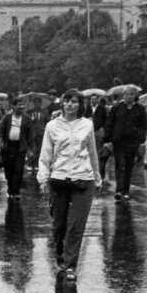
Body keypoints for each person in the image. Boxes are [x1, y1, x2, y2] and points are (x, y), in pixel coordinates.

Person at [38, 89, 101, 281]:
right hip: (59, 179)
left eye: (74, 102)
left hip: (83, 179)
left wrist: (97, 177)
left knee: (76, 225)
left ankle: (70, 265)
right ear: (62, 104)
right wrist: (43, 179)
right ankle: (60, 257)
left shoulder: (87, 125)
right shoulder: (52, 126)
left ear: (80, 105)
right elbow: (46, 154)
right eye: (67, 101)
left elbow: (92, 152)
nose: (70, 105)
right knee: (59, 225)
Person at [107, 86, 147, 201]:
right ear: (123, 95)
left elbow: (143, 126)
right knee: (120, 165)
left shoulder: (140, 109)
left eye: (132, 94)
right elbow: (110, 123)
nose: (129, 96)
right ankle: (119, 190)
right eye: (127, 94)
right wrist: (108, 140)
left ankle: (126, 191)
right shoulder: (117, 107)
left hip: (133, 142)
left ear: (135, 96)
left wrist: (141, 140)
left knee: (129, 166)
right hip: (119, 141)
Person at [0, 96, 30, 199]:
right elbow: (1, 132)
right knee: (9, 170)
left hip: (20, 147)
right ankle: (10, 188)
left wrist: (31, 148)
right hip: (8, 147)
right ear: (13, 106)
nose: (21, 107)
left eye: (22, 105)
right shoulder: (7, 117)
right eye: (19, 105)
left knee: (19, 170)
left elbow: (30, 134)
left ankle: (16, 192)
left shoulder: (26, 118)